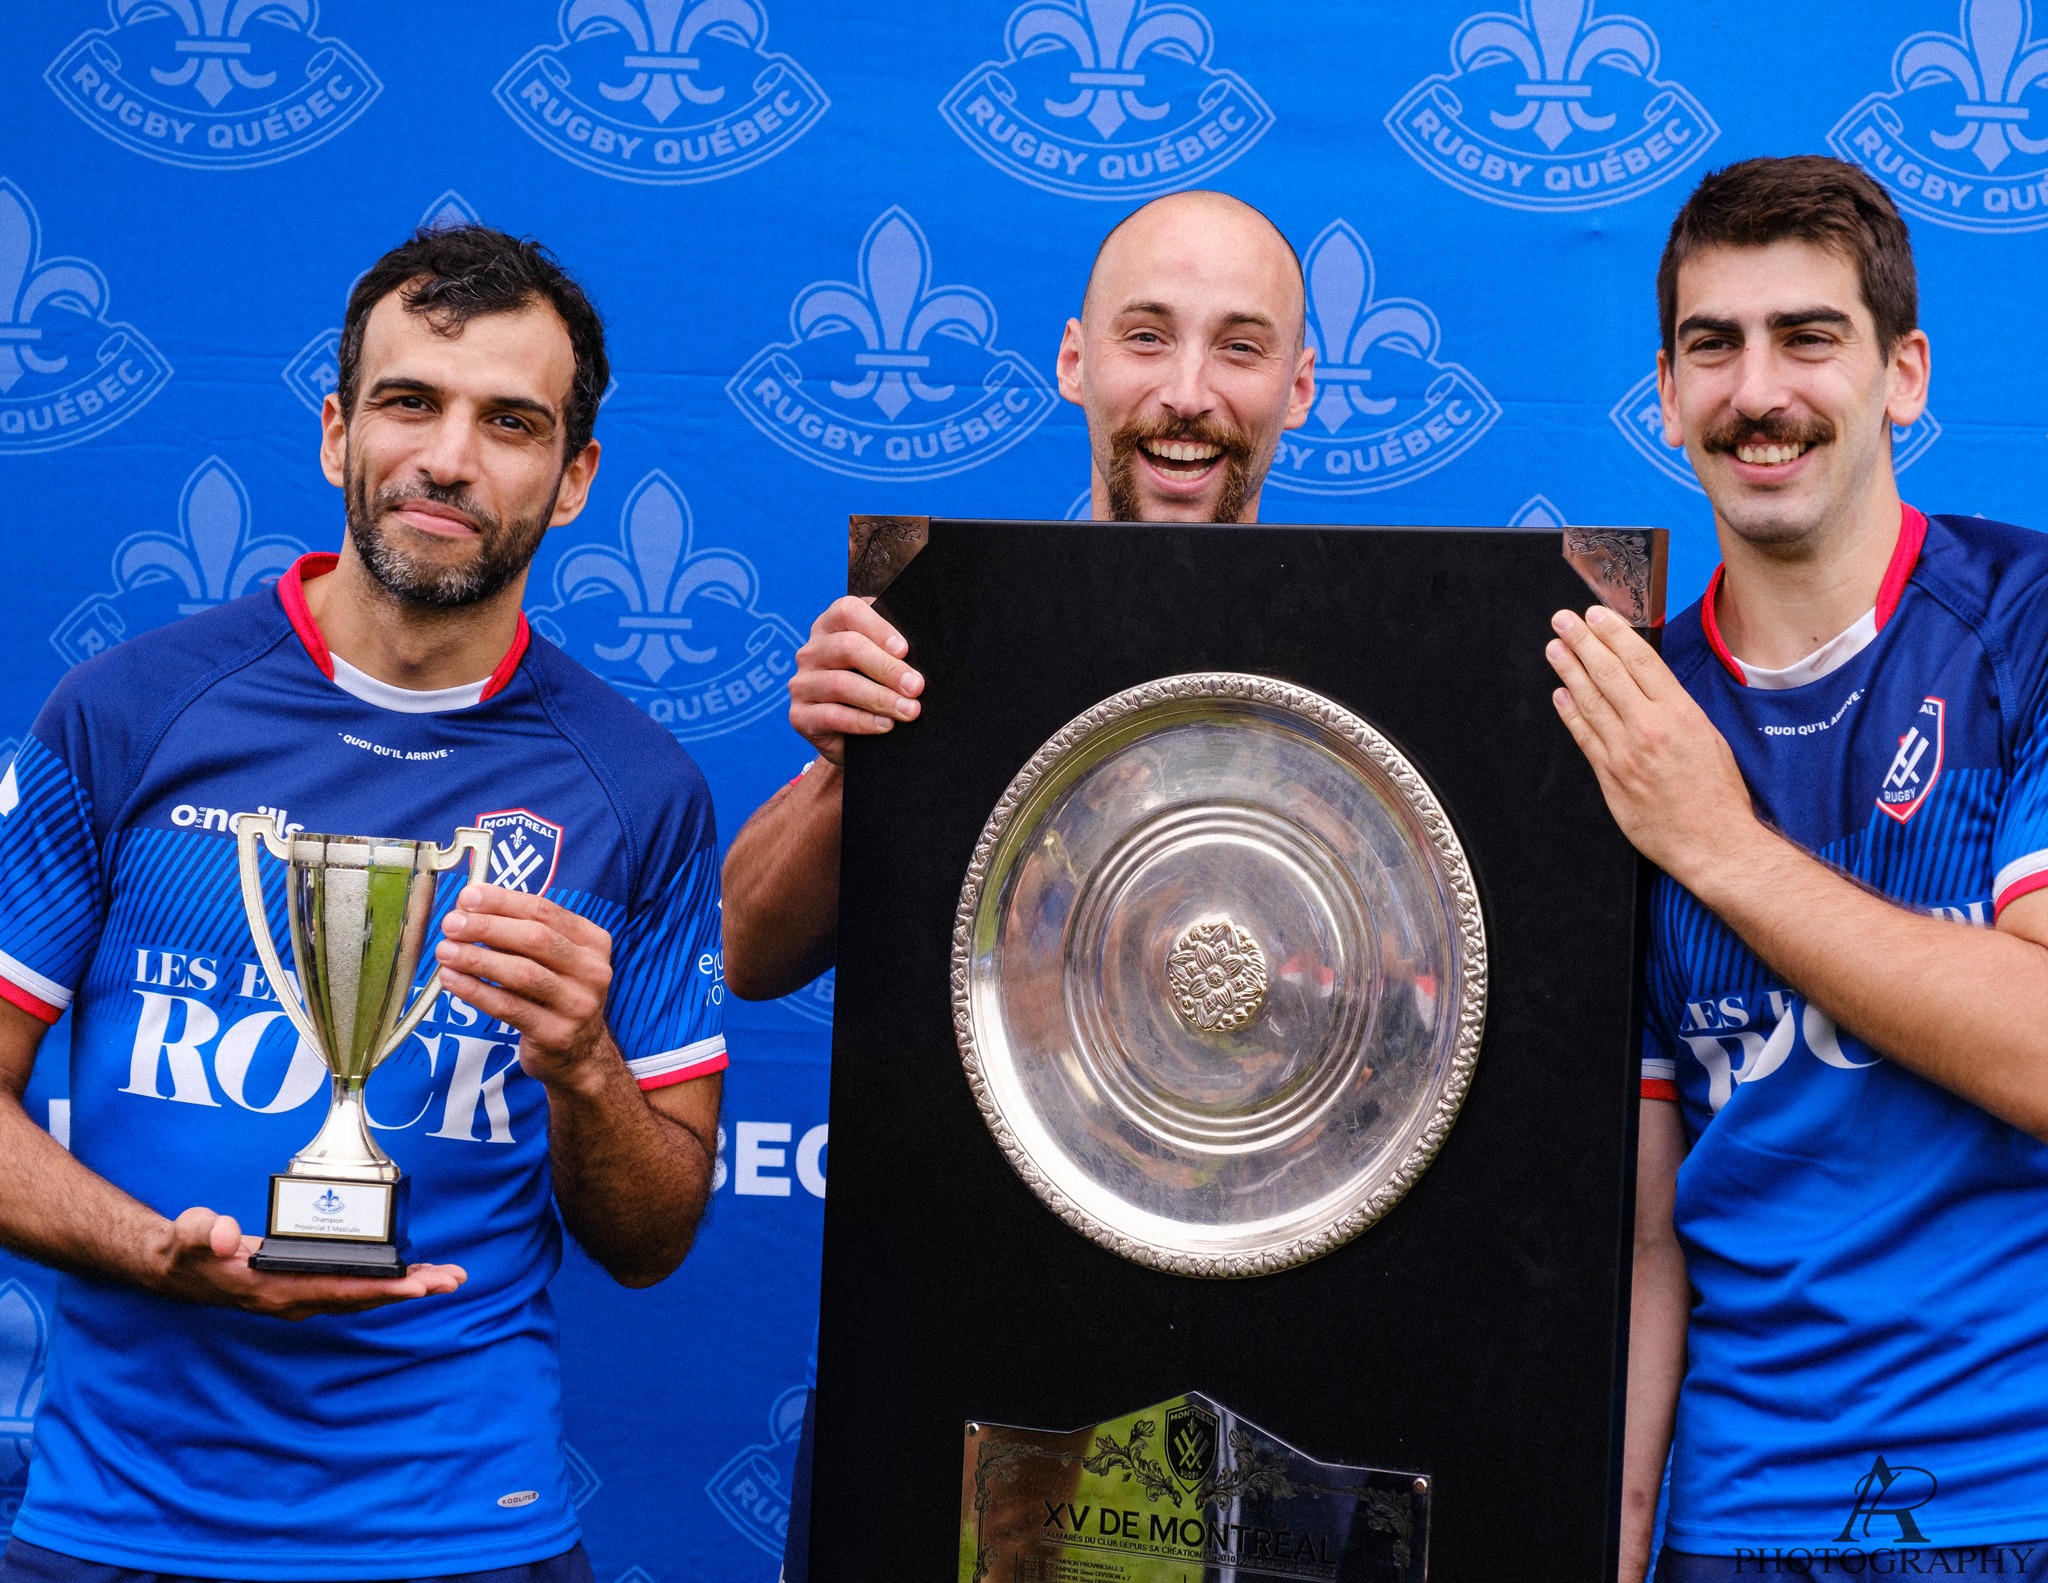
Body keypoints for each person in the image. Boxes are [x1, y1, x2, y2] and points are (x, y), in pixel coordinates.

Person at [0, 225, 725, 1579]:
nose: (449, 457)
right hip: (118, 1524)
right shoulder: (128, 714)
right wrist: (158, 1248)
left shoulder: (636, 787)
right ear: (338, 432)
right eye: (410, 402)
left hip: (465, 1532)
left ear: (575, 480)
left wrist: (582, 1065)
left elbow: (655, 1234)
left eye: (511, 422)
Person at [1545, 156, 2048, 1580]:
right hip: (1739, 1510)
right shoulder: (1624, 711)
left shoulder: (2025, 626)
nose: (1758, 389)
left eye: (1808, 336)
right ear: (1667, 392)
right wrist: (1622, 1537)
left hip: (2017, 1497)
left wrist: (1717, 842)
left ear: (1905, 372)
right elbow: (1643, 1229)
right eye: (1716, 345)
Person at [722, 189, 1316, 998]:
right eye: (1146, 338)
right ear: (1075, 361)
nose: (1187, 392)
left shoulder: (1385, 658)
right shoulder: (956, 637)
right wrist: (849, 762)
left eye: (1240, 348)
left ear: (1301, 383)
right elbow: (748, 955)